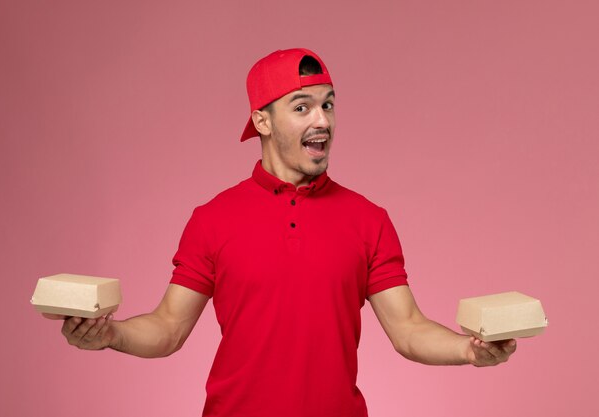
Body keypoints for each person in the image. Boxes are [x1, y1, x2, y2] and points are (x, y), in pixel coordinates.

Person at [45, 48, 516, 417]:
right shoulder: (212, 219)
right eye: (303, 106)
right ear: (262, 121)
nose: (323, 120)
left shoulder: (369, 219)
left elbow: (409, 329)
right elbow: (168, 327)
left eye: (328, 105)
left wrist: (468, 351)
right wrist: (110, 336)